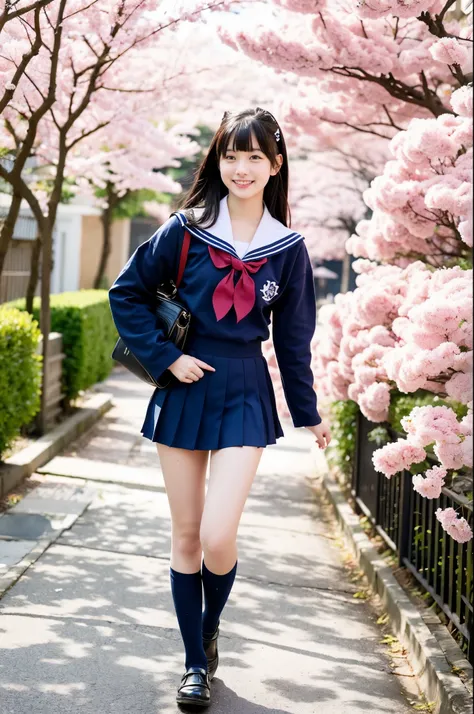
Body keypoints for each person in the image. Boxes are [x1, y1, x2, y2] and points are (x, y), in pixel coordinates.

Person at [108, 107, 331, 708]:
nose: (241, 168)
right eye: (231, 155)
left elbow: (293, 336)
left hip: (244, 388)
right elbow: (125, 293)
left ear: (275, 165)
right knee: (185, 534)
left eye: (255, 156)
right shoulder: (185, 228)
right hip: (184, 383)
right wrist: (164, 359)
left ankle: (208, 628)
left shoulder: (288, 248)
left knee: (218, 534)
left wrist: (306, 411)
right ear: (218, 161)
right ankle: (192, 664)